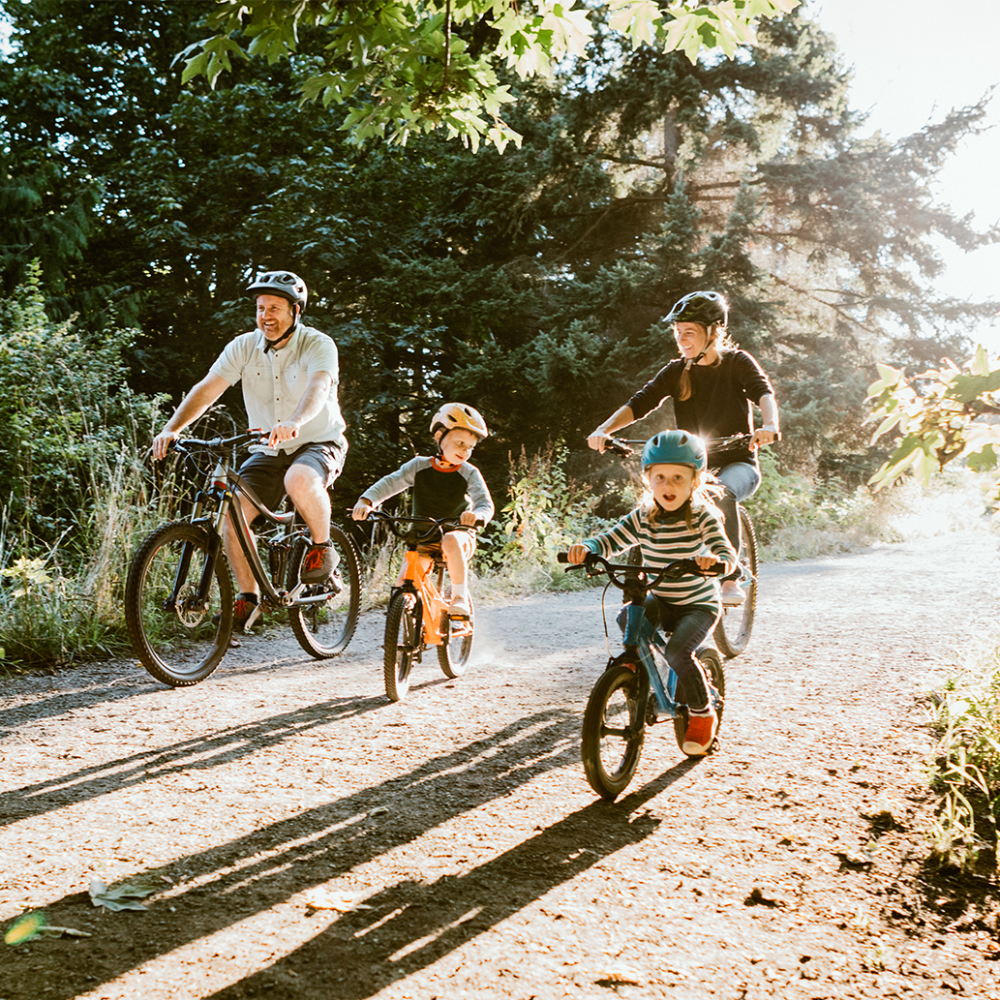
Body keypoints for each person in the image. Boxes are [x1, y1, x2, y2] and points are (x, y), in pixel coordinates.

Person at [152, 270, 348, 627]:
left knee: (300, 479)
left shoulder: (318, 344)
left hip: (318, 439)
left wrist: (296, 421)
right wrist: (171, 428)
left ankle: (322, 548)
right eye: (260, 308)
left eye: (275, 307)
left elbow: (318, 388)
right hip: (268, 447)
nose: (266, 316)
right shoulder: (244, 347)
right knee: (230, 516)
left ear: (295, 312)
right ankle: (250, 597)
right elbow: (209, 388)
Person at [587, 290, 778, 606]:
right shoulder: (676, 371)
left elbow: (763, 393)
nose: (682, 339)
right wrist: (604, 430)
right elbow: (641, 402)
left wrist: (769, 425)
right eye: (678, 333)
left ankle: (729, 576)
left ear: (713, 331)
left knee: (720, 492)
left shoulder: (736, 363)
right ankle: (640, 582)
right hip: (692, 467)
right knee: (654, 501)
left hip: (738, 463)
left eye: (689, 332)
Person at [567, 430, 736, 756]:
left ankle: (702, 712)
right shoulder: (643, 518)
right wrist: (587, 548)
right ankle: (637, 675)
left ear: (694, 482)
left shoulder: (704, 517)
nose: (668, 485)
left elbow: (727, 557)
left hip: (698, 604)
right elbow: (609, 540)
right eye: (660, 477)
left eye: (677, 478)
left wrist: (714, 561)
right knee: (627, 618)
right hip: (662, 597)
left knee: (677, 653)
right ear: (648, 480)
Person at [351, 403, 494, 619]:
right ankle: (405, 643)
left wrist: (477, 516)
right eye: (460, 443)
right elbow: (391, 482)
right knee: (403, 587)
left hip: (459, 535)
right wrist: (367, 500)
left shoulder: (469, 472)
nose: (465, 451)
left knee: (451, 540)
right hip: (423, 538)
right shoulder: (419, 466)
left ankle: (459, 598)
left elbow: (485, 503)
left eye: (470, 447)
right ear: (439, 436)